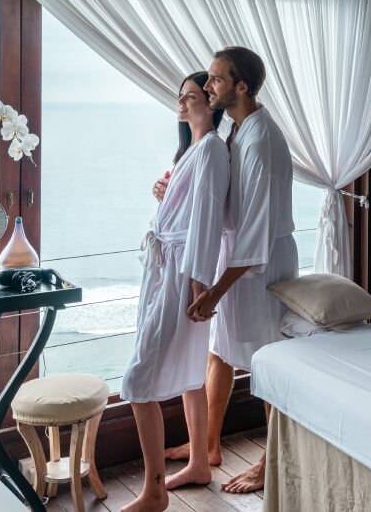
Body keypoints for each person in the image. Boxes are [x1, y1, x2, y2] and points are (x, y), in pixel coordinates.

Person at [180, 46, 298, 494]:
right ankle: (207, 447)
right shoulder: (236, 128)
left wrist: (215, 290)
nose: (207, 85)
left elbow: (256, 232)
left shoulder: (260, 140)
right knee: (221, 351)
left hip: (260, 263)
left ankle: (270, 464)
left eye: (216, 79)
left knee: (268, 363)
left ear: (241, 87)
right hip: (238, 255)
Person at [120, 71, 229, 512]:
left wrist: (201, 283)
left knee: (137, 381)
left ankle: (154, 491)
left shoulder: (212, 150)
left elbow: (207, 219)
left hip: (183, 275)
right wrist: (164, 196)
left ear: (212, 103)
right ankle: (200, 463)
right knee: (190, 373)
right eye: (179, 96)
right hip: (171, 267)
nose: (180, 104)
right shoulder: (193, 151)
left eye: (190, 97)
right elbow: (188, 209)